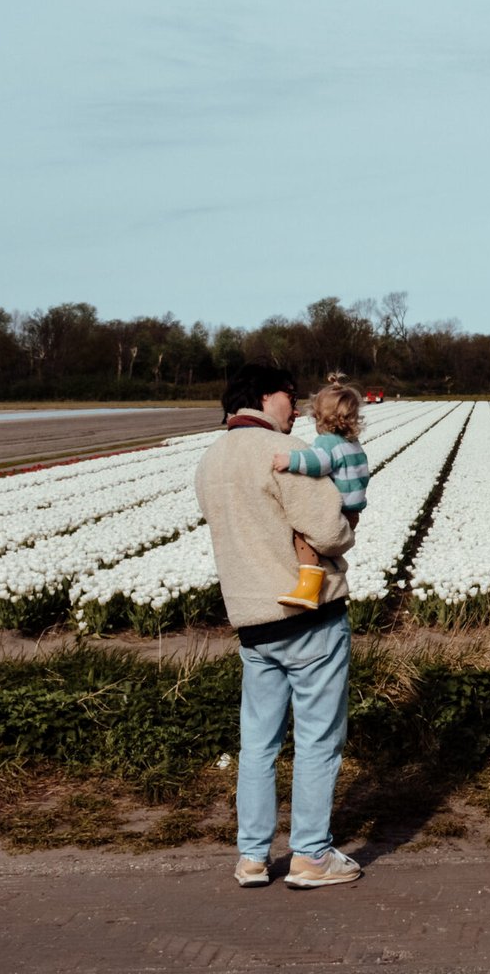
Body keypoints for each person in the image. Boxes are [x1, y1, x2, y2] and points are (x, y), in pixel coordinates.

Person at [194, 364, 362, 890]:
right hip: (306, 617)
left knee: (258, 744)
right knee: (316, 740)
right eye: (292, 397)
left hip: (250, 623)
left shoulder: (210, 460)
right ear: (268, 397)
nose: (297, 409)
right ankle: (311, 856)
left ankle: (252, 857)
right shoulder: (278, 457)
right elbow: (331, 530)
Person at [270, 384, 371, 610]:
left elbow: (318, 462)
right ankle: (326, 574)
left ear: (321, 418)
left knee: (301, 536)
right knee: (329, 547)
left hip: (336, 511)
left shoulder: (328, 442)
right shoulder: (353, 444)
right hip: (354, 513)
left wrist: (290, 460)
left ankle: (309, 586)